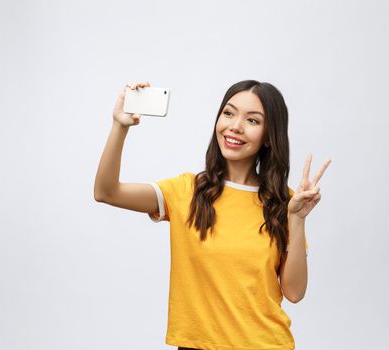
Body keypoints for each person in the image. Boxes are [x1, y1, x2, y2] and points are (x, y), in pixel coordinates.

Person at [94, 80, 332, 350]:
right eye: (228, 113)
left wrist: (297, 220)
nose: (235, 126)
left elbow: (295, 292)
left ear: (268, 136)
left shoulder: (285, 202)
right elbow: (106, 192)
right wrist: (119, 126)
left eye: (252, 121)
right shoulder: (187, 191)